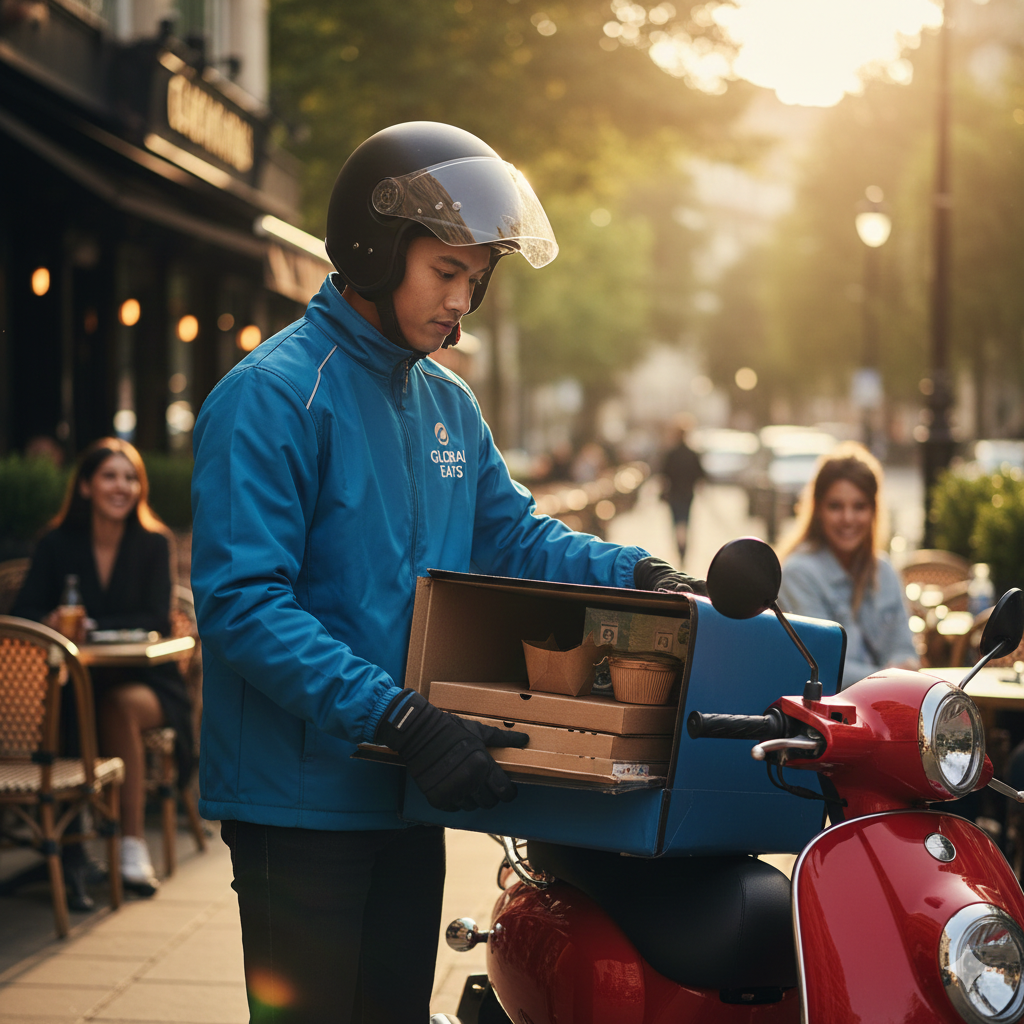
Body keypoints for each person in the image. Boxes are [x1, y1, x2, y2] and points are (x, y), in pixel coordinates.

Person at [190, 120, 702, 1024]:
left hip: (408, 788)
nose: (462, 303)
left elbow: (515, 540)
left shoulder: (446, 402)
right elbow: (241, 606)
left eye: (476, 280)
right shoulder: (272, 395)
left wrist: (645, 577)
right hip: (301, 800)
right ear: (375, 252)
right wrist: (396, 714)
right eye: (445, 274)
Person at [12, 438, 194, 903]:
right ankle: (74, 848)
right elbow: (25, 610)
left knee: (116, 708)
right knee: (70, 706)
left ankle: (131, 844)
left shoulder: (153, 543)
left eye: (130, 477)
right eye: (110, 476)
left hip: (148, 681)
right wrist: (50, 620)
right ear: (87, 486)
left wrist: (94, 627)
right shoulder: (56, 544)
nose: (122, 486)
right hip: (77, 681)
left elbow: (157, 617)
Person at [776, 441, 919, 689]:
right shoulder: (798, 573)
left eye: (859, 506)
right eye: (835, 506)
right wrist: (890, 677)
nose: (848, 518)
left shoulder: (884, 570)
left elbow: (906, 652)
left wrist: (900, 670)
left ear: (874, 510)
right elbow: (823, 668)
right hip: (823, 719)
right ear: (817, 509)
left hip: (883, 712)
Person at [660, 413, 705, 562]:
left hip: (674, 494)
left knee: (676, 521)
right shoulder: (692, 454)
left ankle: (680, 548)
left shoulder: (671, 454)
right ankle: (683, 548)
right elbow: (700, 474)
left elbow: (664, 474)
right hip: (687, 494)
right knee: (685, 521)